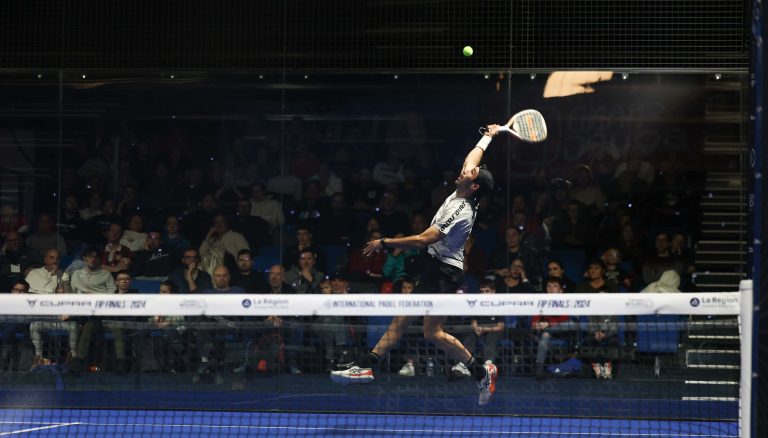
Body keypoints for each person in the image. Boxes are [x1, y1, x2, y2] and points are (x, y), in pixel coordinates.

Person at [331, 122, 501, 406]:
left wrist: (385, 242)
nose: (465, 169)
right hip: (438, 268)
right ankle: (481, 373)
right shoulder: (464, 189)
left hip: (445, 273)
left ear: (474, 186)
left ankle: (367, 366)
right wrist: (487, 137)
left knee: (418, 326)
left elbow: (423, 239)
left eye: (470, 173)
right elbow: (472, 159)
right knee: (426, 330)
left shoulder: (460, 209)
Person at [531, 277, 571, 380]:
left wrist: (548, 324)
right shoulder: (542, 303)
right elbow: (535, 320)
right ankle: (539, 368)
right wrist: (536, 324)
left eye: (555, 286)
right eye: (549, 286)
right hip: (545, 334)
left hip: (563, 332)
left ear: (561, 291)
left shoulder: (566, 302)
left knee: (546, 334)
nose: (551, 288)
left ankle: (543, 367)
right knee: (545, 336)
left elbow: (565, 319)